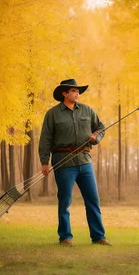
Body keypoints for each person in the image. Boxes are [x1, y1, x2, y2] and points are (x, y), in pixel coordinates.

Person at [38, 78, 111, 247]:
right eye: (73, 91)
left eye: (78, 91)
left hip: (85, 161)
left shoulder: (87, 110)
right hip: (63, 162)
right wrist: (44, 162)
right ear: (64, 93)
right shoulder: (52, 114)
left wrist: (96, 137)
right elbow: (45, 139)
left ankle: (99, 236)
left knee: (93, 200)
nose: (77, 93)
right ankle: (65, 237)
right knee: (65, 201)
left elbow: (101, 127)